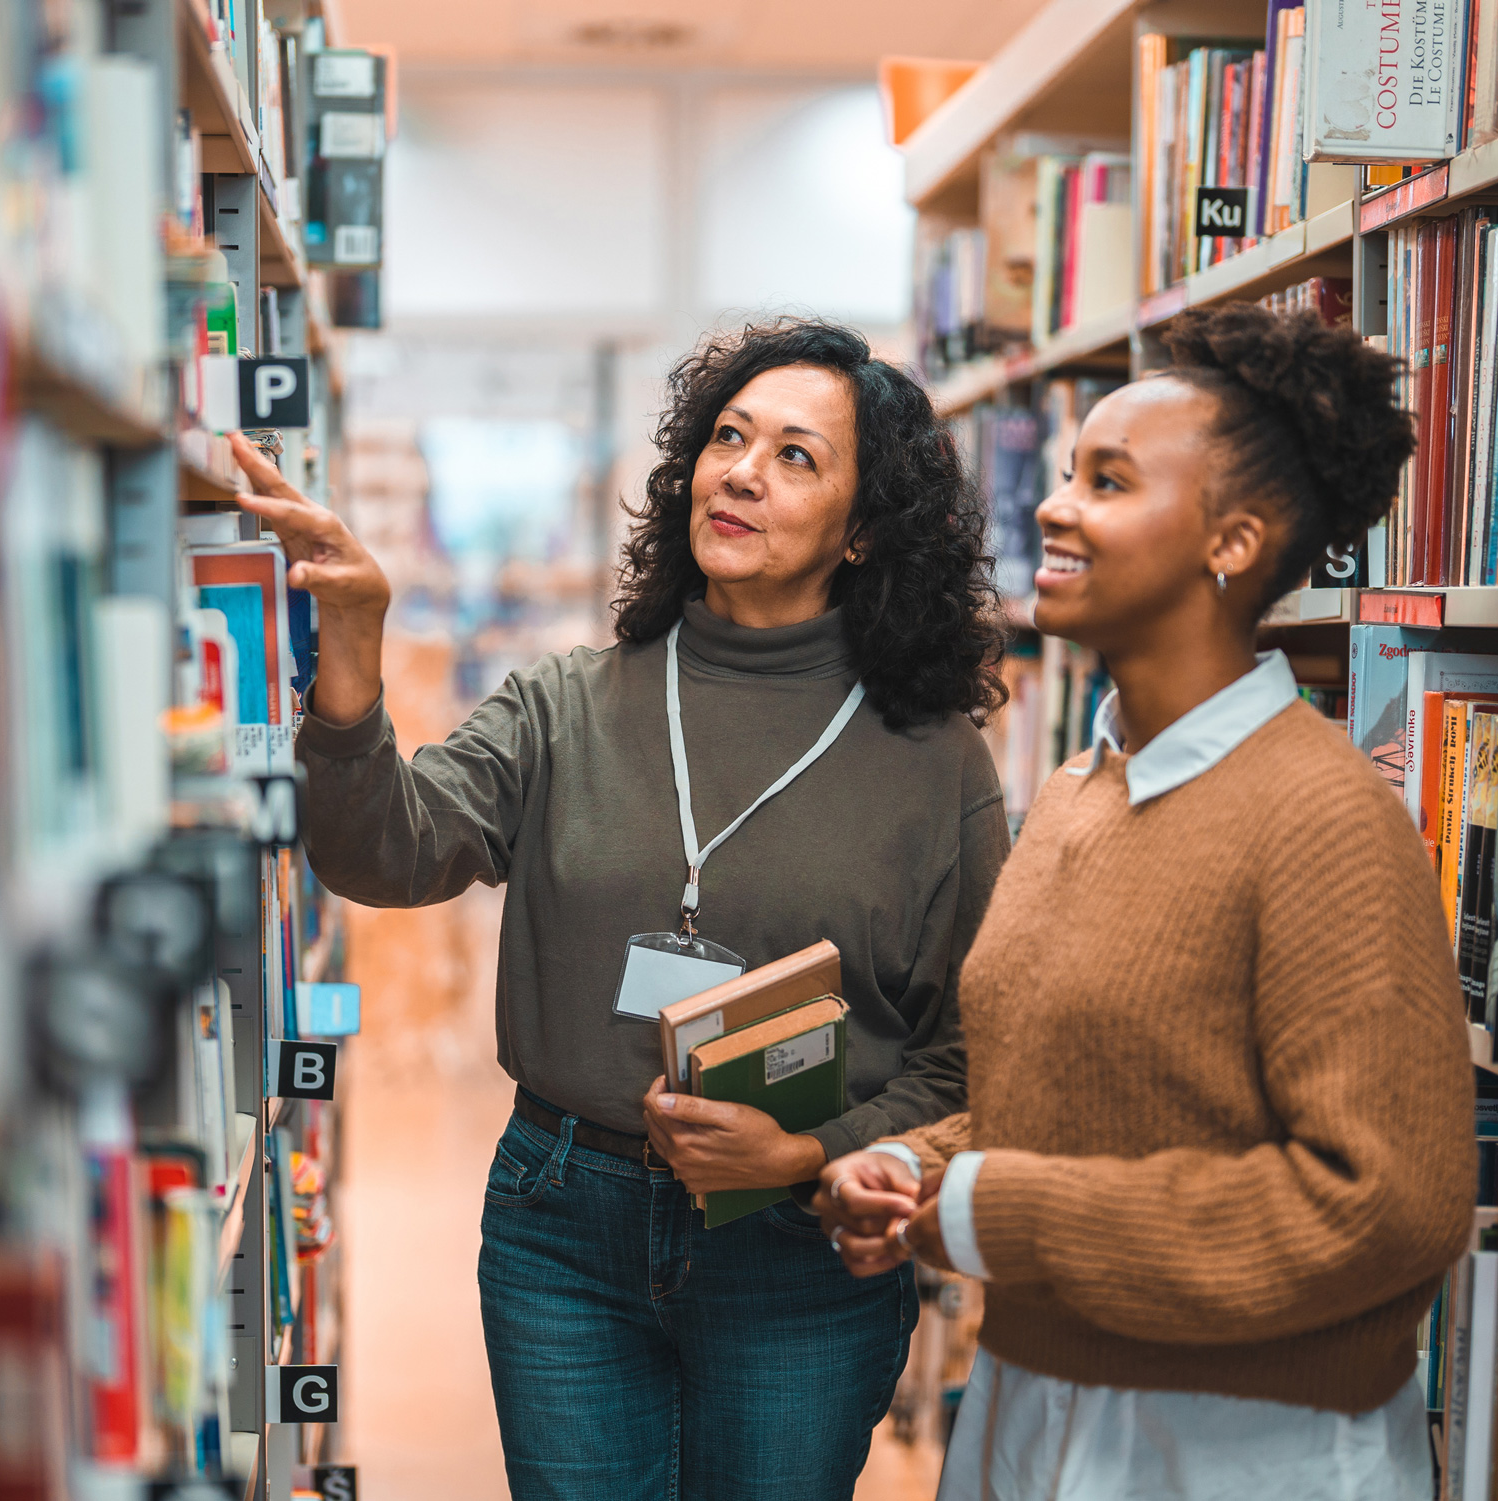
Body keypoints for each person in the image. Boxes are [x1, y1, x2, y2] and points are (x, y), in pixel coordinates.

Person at [236, 317, 1011, 1500]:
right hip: (563, 1222)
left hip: (798, 1242)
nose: (740, 469)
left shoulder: (934, 764)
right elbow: (383, 849)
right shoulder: (568, 704)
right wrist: (349, 657)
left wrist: (810, 1152)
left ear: (864, 532)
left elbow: (967, 1056)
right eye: (727, 437)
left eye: (796, 455)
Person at [818, 302, 1476, 1500]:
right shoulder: (1075, 789)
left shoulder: (1321, 816)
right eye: (1065, 474)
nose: (1054, 507)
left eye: (1108, 483)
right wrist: (917, 1169)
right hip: (1035, 1403)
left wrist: (995, 1206)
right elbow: (1072, 1109)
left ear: (1231, 542)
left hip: (1238, 1441)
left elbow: (1385, 1205)